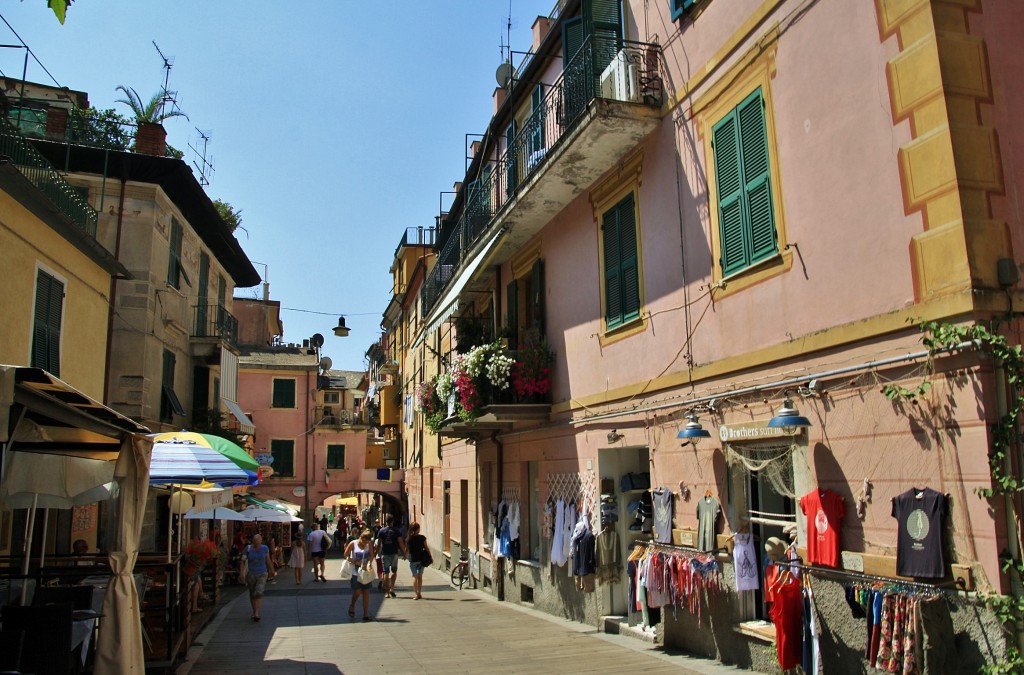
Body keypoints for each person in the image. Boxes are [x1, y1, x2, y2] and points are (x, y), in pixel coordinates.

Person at [344, 529, 376, 620]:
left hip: (365, 570)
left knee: (366, 591)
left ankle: (365, 614)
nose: (365, 544)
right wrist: (354, 561)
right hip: (355, 571)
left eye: (368, 542)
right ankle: (352, 604)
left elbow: (371, 555)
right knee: (358, 590)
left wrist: (369, 563)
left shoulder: (368, 544)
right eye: (364, 542)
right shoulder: (353, 543)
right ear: (361, 538)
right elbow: (345, 555)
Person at [243, 533, 274, 622]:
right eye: (255, 541)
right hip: (251, 573)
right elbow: (243, 561)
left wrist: (272, 569)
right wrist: (242, 573)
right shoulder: (248, 548)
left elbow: (267, 559)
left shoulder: (265, 548)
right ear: (253, 541)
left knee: (259, 592)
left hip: (262, 573)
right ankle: (254, 611)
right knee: (252, 593)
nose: (257, 543)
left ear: (261, 541)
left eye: (258, 541)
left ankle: (257, 613)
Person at [375, 514, 406, 598]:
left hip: (385, 554)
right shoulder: (397, 531)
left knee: (386, 573)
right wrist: (405, 553)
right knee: (394, 572)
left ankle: (387, 592)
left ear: (386, 521)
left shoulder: (381, 531)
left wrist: (376, 553)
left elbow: (379, 544)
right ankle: (392, 588)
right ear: (392, 521)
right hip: (394, 554)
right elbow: (401, 543)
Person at [406, 522, 430, 600]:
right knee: (420, 576)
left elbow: (407, 549)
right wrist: (430, 556)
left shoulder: (409, 539)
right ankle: (419, 592)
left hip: (413, 560)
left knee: (414, 576)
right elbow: (426, 548)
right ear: (418, 529)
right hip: (421, 560)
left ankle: (416, 594)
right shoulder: (422, 538)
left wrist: (404, 555)